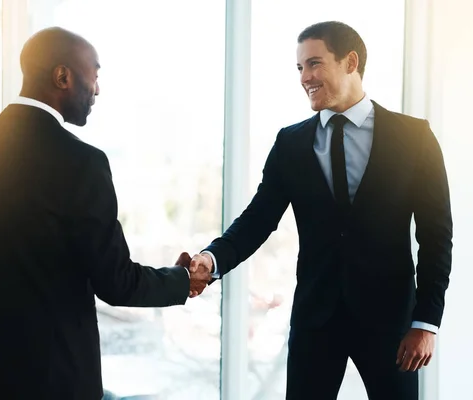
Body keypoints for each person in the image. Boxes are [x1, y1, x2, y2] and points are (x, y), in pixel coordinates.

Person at [189, 21, 452, 399]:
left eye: (314, 64)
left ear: (350, 61)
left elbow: (436, 237)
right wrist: (211, 260)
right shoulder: (290, 143)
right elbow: (257, 220)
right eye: (299, 68)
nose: (304, 78)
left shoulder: (414, 139)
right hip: (316, 320)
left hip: (390, 322)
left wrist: (426, 322)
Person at [0, 27, 210, 400]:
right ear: (62, 76)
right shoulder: (82, 163)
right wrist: (183, 280)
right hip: (57, 381)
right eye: (95, 75)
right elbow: (115, 281)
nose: (97, 89)